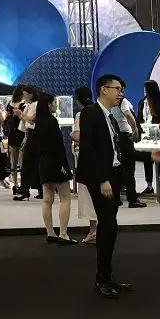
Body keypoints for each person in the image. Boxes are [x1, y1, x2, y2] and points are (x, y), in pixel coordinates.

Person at [78, 75, 133, 298]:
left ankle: (107, 277)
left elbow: (119, 148)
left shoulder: (111, 116)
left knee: (110, 226)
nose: (120, 93)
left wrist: (148, 157)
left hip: (114, 175)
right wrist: (102, 179)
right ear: (104, 89)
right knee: (107, 225)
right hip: (102, 177)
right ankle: (103, 278)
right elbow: (88, 148)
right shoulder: (91, 112)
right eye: (117, 89)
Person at [36, 92, 75, 245]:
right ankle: (63, 234)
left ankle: (50, 232)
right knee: (65, 198)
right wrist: (64, 166)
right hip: (56, 163)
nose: (56, 105)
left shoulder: (38, 122)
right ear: (48, 104)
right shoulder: (52, 121)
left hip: (44, 162)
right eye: (54, 102)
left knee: (47, 200)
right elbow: (58, 147)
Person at [72, 86, 98, 244]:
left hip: (86, 158)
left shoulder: (81, 115)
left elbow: (77, 135)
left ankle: (93, 231)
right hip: (101, 159)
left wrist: (73, 135)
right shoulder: (99, 112)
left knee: (88, 196)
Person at [137, 80, 160, 195]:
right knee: (147, 160)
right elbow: (139, 117)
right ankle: (149, 185)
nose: (144, 91)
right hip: (145, 135)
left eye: (146, 89)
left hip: (158, 135)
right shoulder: (142, 102)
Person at [14, 85, 42, 201]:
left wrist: (21, 114)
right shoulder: (29, 105)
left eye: (25, 94)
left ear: (31, 94)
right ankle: (28, 189)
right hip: (29, 134)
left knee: (29, 163)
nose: (24, 96)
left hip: (34, 136)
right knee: (29, 164)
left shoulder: (35, 105)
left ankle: (26, 189)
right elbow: (26, 121)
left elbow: (31, 120)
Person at [4, 85, 26, 193]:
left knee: (13, 159)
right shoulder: (24, 104)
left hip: (12, 132)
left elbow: (6, 117)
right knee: (21, 159)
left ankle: (15, 183)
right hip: (21, 131)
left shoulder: (10, 103)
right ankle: (22, 183)